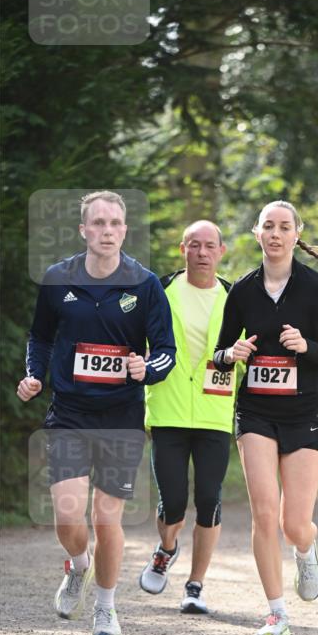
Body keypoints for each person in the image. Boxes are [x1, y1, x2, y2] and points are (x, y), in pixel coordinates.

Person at [17, 190, 175, 635]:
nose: (107, 231)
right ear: (84, 230)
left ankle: (106, 610)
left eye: (115, 224)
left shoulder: (144, 285)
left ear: (124, 230)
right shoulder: (57, 279)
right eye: (99, 223)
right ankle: (78, 566)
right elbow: (40, 338)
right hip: (68, 413)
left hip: (121, 417)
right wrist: (34, 375)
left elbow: (167, 352)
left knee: (108, 519)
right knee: (68, 518)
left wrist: (147, 369)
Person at [213, 200, 318, 635]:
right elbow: (219, 355)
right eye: (267, 226)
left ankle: (305, 549)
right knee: (264, 512)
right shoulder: (243, 291)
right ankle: (276, 612)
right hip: (255, 412)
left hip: (306, 413)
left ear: (296, 234)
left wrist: (306, 346)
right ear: (257, 233)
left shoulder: (317, 289)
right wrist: (231, 355)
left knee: (293, 522)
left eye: (283, 226)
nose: (275, 233)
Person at [139, 220, 236, 614]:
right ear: (183, 249)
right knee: (173, 500)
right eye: (193, 245)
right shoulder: (159, 290)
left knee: (209, 501)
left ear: (221, 251)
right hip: (168, 409)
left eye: (208, 246)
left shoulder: (236, 297)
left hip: (215, 413)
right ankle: (166, 549)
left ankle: (195, 585)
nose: (201, 253)